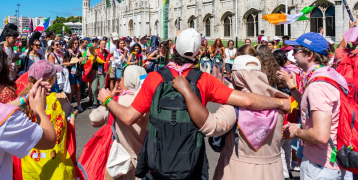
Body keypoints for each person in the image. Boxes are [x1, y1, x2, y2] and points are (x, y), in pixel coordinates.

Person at [97, 28, 291, 178]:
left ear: (173, 49)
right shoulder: (204, 80)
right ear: (198, 52)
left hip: (158, 159)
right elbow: (247, 100)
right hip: (191, 159)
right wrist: (280, 103)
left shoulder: (154, 78)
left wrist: (106, 98)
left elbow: (128, 117)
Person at [171, 55, 289, 180]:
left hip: (238, 170)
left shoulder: (234, 107)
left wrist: (187, 91)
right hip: (273, 171)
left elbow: (210, 126)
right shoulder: (279, 102)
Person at [282, 32, 348, 179]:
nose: (292, 55)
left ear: (310, 55)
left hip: (320, 165)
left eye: (295, 50)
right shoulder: (328, 73)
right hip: (327, 158)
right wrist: (292, 86)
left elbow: (320, 135)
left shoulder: (318, 85)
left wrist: (296, 131)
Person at [14, 60, 78, 180]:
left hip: (28, 167)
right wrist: (73, 117)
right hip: (53, 167)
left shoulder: (22, 101)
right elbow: (61, 132)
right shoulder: (57, 100)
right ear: (52, 79)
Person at [88, 65, 148, 180]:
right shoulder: (149, 99)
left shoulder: (116, 101)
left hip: (121, 161)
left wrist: (108, 100)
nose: (119, 82)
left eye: (121, 79)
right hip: (145, 161)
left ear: (128, 79)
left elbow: (94, 119)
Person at [0, 79, 56, 180]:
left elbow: (4, 108)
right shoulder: (7, 119)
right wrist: (39, 109)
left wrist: (26, 98)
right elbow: (49, 139)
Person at [64, 39, 84, 112]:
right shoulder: (68, 52)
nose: (76, 44)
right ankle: (69, 105)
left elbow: (80, 63)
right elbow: (67, 63)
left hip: (77, 71)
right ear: (71, 44)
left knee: (78, 87)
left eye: (77, 43)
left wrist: (80, 61)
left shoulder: (79, 52)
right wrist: (75, 61)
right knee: (71, 89)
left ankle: (79, 104)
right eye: (75, 43)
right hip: (71, 72)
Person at [91, 40, 111, 109]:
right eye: (102, 44)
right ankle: (95, 102)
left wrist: (109, 63)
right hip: (95, 70)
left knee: (102, 87)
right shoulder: (95, 51)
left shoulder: (107, 53)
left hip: (102, 71)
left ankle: (101, 101)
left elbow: (108, 61)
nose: (103, 45)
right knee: (94, 88)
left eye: (105, 44)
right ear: (99, 45)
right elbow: (91, 61)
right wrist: (95, 57)